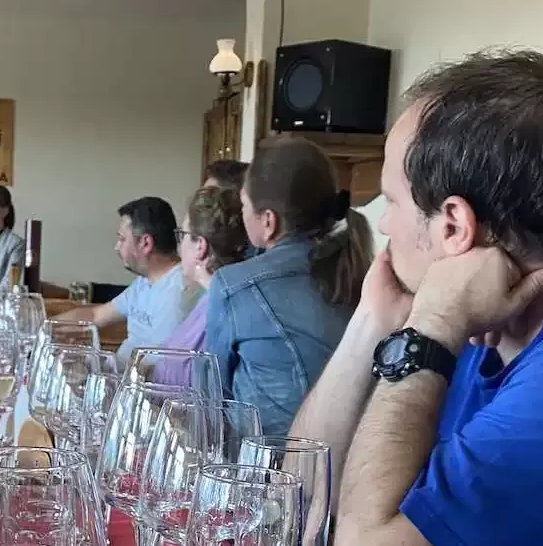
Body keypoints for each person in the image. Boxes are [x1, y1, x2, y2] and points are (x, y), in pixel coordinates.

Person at [292, 49, 543, 546]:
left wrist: (430, 329)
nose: (381, 221)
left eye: (391, 199)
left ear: (453, 226)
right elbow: (301, 494)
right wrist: (373, 324)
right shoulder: (483, 328)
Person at [202, 138, 373, 435]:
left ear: (269, 221)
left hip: (264, 459)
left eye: (244, 205)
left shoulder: (233, 286)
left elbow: (209, 399)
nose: (241, 214)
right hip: (349, 456)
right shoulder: (363, 274)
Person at [59, 197, 202, 367]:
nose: (116, 247)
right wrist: (44, 329)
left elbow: (158, 369)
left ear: (145, 243)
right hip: (117, 377)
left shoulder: (178, 294)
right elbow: (95, 316)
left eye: (122, 239)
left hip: (131, 381)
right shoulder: (144, 282)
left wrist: (95, 367)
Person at [154, 184, 248, 385]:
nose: (179, 246)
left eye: (182, 235)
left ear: (200, 246)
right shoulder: (208, 297)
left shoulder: (221, 308)